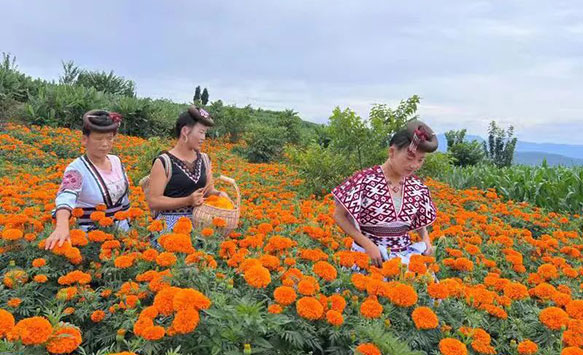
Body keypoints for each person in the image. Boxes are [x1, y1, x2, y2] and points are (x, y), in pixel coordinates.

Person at [332, 120, 439, 267]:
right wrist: (367, 244)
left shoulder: (417, 186)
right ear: (392, 152)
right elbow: (339, 215)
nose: (415, 165)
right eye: (409, 158)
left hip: (403, 262)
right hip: (367, 258)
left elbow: (419, 220)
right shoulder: (365, 179)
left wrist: (425, 238)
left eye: (420, 160)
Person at [45, 110, 131, 250]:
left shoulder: (116, 161)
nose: (105, 144)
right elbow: (66, 196)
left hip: (122, 234)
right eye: (98, 139)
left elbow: (125, 199)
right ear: (85, 139)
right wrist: (61, 226)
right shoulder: (77, 169)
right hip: (91, 240)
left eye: (109, 138)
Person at [146, 105, 228, 245]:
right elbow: (154, 201)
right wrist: (187, 201)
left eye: (205, 133)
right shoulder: (164, 162)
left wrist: (219, 194)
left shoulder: (205, 160)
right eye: (201, 132)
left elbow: (208, 190)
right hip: (170, 228)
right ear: (185, 131)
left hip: (200, 226)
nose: (203, 138)